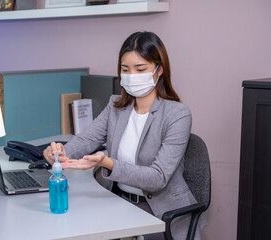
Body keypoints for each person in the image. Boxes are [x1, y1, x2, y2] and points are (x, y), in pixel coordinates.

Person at [43, 31, 205, 239]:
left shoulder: (177, 115)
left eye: (140, 69)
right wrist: (60, 152)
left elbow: (158, 178)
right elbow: (88, 139)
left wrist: (108, 163)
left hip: (160, 214)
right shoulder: (116, 106)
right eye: (125, 69)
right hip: (119, 202)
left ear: (159, 70)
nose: (132, 76)